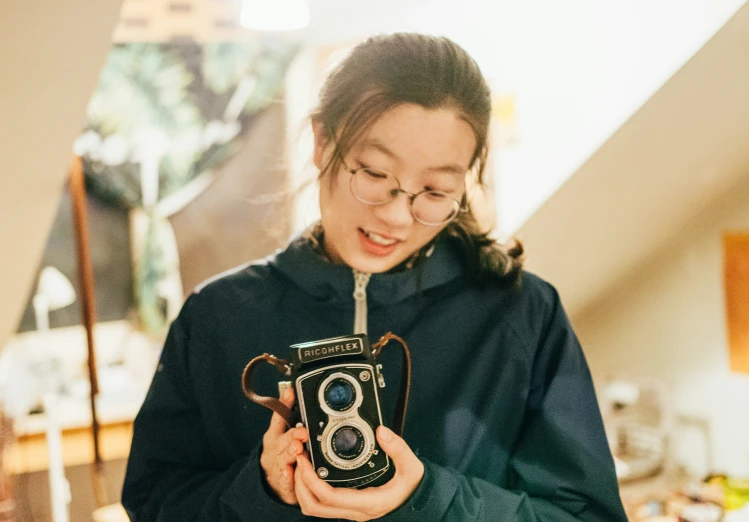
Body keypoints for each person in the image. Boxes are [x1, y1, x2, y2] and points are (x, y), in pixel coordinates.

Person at [121, 33, 628, 521]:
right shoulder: (218, 316)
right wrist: (260, 490)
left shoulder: (522, 314)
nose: (397, 218)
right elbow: (154, 504)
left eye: (435, 191)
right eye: (375, 174)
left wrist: (431, 500)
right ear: (322, 142)